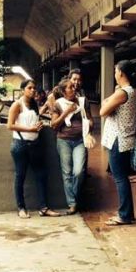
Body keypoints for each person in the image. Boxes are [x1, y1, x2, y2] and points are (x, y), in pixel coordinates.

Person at [7, 79, 60, 219]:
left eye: (34, 88)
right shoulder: (17, 105)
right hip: (20, 145)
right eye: (29, 88)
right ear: (22, 90)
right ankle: (21, 208)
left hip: (35, 144)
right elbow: (10, 125)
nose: (33, 90)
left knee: (41, 175)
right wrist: (30, 129)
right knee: (20, 176)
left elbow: (33, 121)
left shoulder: (34, 104)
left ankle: (44, 208)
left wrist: (38, 125)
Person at [100, 60, 136, 226]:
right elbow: (107, 105)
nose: (115, 74)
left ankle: (124, 215)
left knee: (120, 178)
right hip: (125, 139)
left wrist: (109, 102)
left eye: (116, 71)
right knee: (122, 177)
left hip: (117, 140)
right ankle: (127, 213)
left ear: (121, 73)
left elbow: (102, 111)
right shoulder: (130, 91)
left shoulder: (122, 92)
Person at [51, 79, 93, 215]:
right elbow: (54, 125)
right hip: (64, 141)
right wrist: (67, 111)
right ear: (63, 92)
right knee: (67, 173)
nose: (74, 89)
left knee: (79, 171)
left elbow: (90, 119)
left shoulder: (82, 101)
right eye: (70, 87)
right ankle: (72, 204)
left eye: (74, 86)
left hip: (80, 140)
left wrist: (89, 130)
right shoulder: (58, 104)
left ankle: (73, 196)